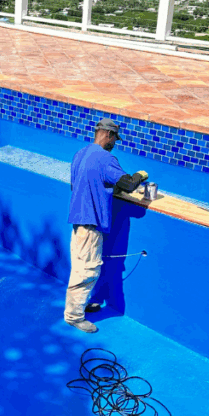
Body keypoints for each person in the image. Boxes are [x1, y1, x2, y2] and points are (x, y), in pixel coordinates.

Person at [65, 119, 148, 333]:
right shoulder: (106, 158)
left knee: (80, 266)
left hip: (78, 220)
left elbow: (79, 184)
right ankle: (74, 316)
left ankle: (79, 305)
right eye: (114, 140)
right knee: (86, 270)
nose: (114, 144)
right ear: (108, 135)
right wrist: (140, 176)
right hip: (91, 223)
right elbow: (128, 184)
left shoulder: (80, 154)